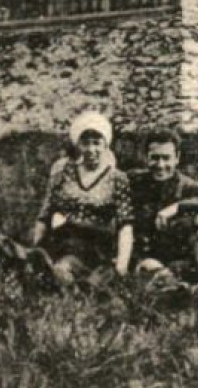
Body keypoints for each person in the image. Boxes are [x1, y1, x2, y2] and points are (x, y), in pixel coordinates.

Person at [32, 111, 133, 285]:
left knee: (78, 275)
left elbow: (125, 225)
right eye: (85, 143)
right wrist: (36, 250)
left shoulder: (118, 179)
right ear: (78, 144)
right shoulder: (63, 173)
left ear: (105, 145)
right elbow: (45, 215)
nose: (91, 150)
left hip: (97, 245)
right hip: (64, 239)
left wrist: (122, 264)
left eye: (96, 143)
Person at [127, 129, 198, 286]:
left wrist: (177, 207)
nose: (161, 165)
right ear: (146, 158)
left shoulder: (187, 186)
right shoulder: (134, 181)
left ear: (177, 158)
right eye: (155, 158)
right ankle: (178, 288)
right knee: (156, 275)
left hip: (181, 256)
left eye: (166, 158)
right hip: (146, 256)